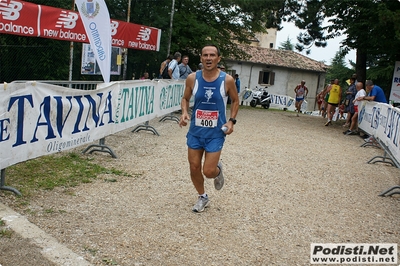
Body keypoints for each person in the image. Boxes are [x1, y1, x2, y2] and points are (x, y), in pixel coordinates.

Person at [179, 44, 239, 213]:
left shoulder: (227, 80)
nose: (208, 58)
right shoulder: (192, 78)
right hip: (195, 132)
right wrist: (184, 112)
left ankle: (218, 169)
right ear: (201, 58)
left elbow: (235, 100)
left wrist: (231, 121)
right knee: (194, 167)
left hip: (215, 133)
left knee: (209, 171)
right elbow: (185, 98)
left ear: (218, 59)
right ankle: (203, 197)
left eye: (212, 55)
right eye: (205, 55)